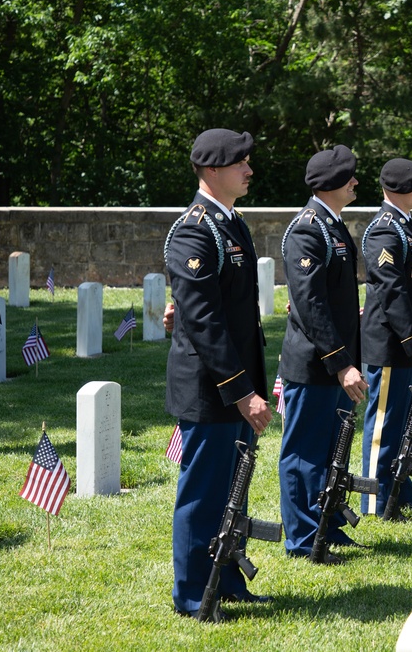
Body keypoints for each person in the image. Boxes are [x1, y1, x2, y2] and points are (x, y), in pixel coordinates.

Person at [164, 128, 274, 621]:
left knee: (234, 490)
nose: (249, 171)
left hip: (236, 381)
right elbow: (205, 322)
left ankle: (225, 580)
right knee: (204, 493)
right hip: (214, 388)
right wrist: (242, 393)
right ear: (212, 170)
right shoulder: (194, 229)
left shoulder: (231, 223)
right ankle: (192, 595)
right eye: (240, 163)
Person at [278, 145, 368, 564]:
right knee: (304, 455)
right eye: (349, 176)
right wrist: (342, 362)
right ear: (330, 182)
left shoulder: (332, 226)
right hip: (316, 364)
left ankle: (327, 525)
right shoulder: (307, 229)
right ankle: (302, 538)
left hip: (335, 363)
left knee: (333, 452)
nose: (355, 182)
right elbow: (310, 304)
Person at [360, 158, 412, 519]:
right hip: (392, 346)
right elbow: (392, 293)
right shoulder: (384, 230)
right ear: (399, 188)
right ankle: (377, 500)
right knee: (385, 426)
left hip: (408, 344)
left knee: (405, 424)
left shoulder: (407, 225)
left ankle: (399, 492)